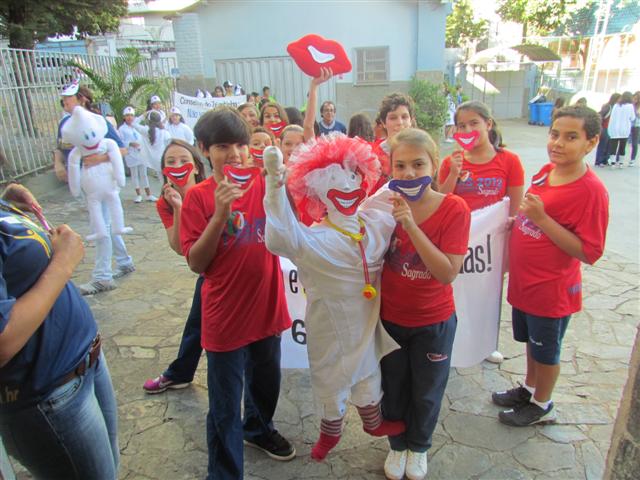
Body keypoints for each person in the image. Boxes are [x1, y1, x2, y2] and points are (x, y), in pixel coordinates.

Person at [263, 134, 405, 462]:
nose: (348, 186)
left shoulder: (372, 220)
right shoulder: (312, 239)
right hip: (329, 324)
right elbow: (282, 234)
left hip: (367, 319)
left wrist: (391, 152)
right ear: (316, 191)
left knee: (369, 371)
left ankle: (373, 423)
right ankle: (331, 430)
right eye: (335, 182)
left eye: (353, 177)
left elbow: (391, 192)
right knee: (330, 375)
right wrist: (274, 183)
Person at [180, 107, 295, 479]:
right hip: (225, 318)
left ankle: (258, 429)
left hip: (266, 306)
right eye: (223, 146)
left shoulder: (265, 184)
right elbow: (197, 263)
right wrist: (219, 214)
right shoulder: (198, 197)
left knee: (266, 383)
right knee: (225, 406)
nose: (235, 154)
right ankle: (226, 473)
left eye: (241, 145)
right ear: (204, 149)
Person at [493, 106, 609, 427]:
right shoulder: (546, 171)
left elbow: (590, 251)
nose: (558, 143)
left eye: (571, 137)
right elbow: (534, 213)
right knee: (532, 345)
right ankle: (530, 389)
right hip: (525, 284)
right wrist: (521, 221)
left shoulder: (591, 191)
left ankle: (543, 405)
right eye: (554, 134)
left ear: (591, 142)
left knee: (547, 352)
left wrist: (542, 219)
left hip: (551, 290)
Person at [0, 182, 119, 479]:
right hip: (50, 394)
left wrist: (7, 206)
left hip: (85, 362)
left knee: (109, 465)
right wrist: (63, 263)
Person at [380, 128, 470, 480]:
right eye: (399, 165)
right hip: (390, 318)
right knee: (394, 387)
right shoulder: (382, 205)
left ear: (435, 164)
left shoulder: (454, 209)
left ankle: (419, 447)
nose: (409, 173)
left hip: (433, 322)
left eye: (418, 164)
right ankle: (397, 446)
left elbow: (447, 272)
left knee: (427, 390)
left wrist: (411, 226)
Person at [439, 100, 525, 363]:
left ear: (488, 124)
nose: (468, 129)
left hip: (492, 245)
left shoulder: (509, 161)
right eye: (461, 125)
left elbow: (514, 205)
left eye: (474, 123)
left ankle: (486, 343)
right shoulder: (449, 162)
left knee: (487, 295)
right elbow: (440, 200)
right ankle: (451, 340)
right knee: (453, 292)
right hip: (456, 241)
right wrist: (454, 172)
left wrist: (508, 243)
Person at [57, 82, 135, 295]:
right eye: (63, 99)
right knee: (107, 224)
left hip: (104, 181)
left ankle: (102, 276)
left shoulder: (97, 120)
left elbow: (122, 150)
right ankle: (124, 261)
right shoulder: (66, 123)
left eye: (69, 98)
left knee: (101, 227)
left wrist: (99, 158)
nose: (65, 102)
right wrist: (59, 163)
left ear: (82, 98)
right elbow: (62, 147)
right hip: (87, 183)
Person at [143, 140, 208, 393]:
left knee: (199, 320)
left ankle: (179, 372)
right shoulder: (165, 203)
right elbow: (179, 247)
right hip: (205, 268)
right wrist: (179, 207)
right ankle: (180, 372)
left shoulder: (210, 190)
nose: (178, 166)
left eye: (183, 160)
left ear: (195, 167)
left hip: (227, 267)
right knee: (199, 320)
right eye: (170, 162)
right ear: (163, 170)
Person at [119, 106, 155, 203]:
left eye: (131, 115)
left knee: (144, 174)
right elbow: (121, 142)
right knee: (134, 175)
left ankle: (149, 194)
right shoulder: (122, 129)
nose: (129, 117)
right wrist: (130, 144)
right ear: (124, 117)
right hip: (131, 154)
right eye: (127, 115)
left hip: (141, 153)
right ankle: (138, 194)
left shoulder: (137, 126)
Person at [133, 110, 172, 175]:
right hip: (164, 159)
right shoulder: (165, 132)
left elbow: (133, 123)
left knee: (162, 180)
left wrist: (143, 115)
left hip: (154, 161)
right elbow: (169, 145)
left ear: (149, 121)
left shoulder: (146, 131)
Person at [607, 91, 636, 168]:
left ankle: (612, 162)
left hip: (615, 129)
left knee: (614, 146)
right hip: (625, 129)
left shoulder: (616, 105)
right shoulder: (630, 106)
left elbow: (612, 117)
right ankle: (621, 163)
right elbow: (632, 118)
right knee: (622, 147)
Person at [595, 93, 620, 167]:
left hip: (611, 128)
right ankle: (599, 161)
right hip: (605, 127)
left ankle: (605, 160)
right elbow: (601, 115)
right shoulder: (608, 107)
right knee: (603, 145)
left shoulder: (616, 107)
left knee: (609, 145)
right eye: (619, 98)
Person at [630, 91, 640, 167]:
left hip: (636, 126)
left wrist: (637, 114)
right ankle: (618, 158)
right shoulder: (630, 105)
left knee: (634, 143)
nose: (634, 99)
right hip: (628, 125)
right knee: (622, 141)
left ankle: (632, 159)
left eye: (636, 98)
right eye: (634, 97)